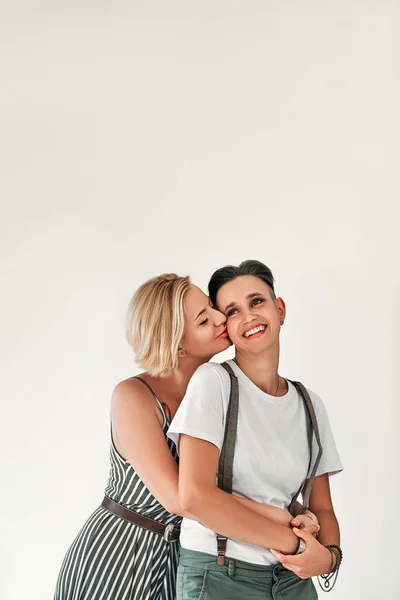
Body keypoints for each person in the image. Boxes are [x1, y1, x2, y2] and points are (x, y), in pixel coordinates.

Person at [54, 272, 318, 600]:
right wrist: (279, 518)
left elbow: (242, 482)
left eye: (212, 307)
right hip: (122, 553)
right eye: (205, 320)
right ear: (177, 344)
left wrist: (298, 512)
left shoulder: (220, 394)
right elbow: (180, 499)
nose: (223, 317)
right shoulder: (134, 396)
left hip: (185, 557)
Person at [168, 260, 343, 600]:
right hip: (219, 573)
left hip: (292, 580)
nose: (248, 317)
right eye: (232, 311)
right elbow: (194, 497)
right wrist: (295, 541)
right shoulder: (214, 383)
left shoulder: (309, 404)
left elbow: (321, 508)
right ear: (226, 328)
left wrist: (329, 558)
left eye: (257, 302)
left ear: (280, 309)